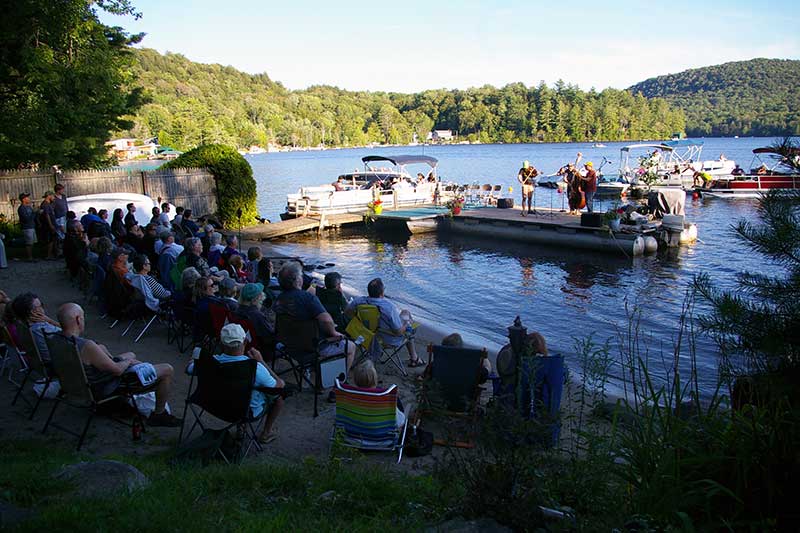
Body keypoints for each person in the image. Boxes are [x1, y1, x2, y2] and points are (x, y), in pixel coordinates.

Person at [56, 303, 181, 427]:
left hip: (81, 385)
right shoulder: (87, 346)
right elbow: (117, 371)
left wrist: (123, 358)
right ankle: (158, 415)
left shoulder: (56, 340)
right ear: (78, 319)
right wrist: (128, 362)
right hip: (106, 387)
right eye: (83, 317)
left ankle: (137, 369)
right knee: (167, 370)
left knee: (130, 354)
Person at [272, 262, 356, 374]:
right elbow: (326, 320)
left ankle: (310, 366)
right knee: (351, 346)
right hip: (311, 346)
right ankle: (341, 379)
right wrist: (334, 333)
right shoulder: (307, 298)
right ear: (297, 280)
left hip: (288, 343)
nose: (302, 278)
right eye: (301, 276)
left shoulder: (279, 299)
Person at [213, 323, 284, 443]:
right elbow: (279, 386)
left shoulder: (211, 361)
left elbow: (189, 368)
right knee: (278, 398)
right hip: (245, 412)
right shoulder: (255, 368)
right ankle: (266, 433)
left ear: (221, 343)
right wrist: (261, 361)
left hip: (216, 406)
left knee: (237, 392)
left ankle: (241, 429)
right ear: (245, 341)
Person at [345, 277, 424, 368]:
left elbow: (347, 313)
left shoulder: (358, 301)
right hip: (387, 340)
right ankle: (414, 358)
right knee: (409, 322)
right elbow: (398, 332)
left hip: (366, 336)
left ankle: (414, 357)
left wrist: (359, 319)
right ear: (382, 293)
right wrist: (406, 324)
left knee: (404, 312)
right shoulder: (388, 307)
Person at [350, 359, 405, 428]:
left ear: (355, 380)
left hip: (357, 433)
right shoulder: (385, 396)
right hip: (381, 436)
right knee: (396, 399)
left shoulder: (350, 397)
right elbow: (400, 422)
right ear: (375, 380)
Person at [11, 292, 61, 363]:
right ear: (33, 312)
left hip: (40, 363)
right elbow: (71, 333)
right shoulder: (44, 329)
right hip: (58, 364)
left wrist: (47, 320)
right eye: (41, 305)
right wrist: (50, 321)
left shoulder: (22, 326)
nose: (43, 307)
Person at [17, 193, 36, 262]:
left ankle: (31, 256)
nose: (29, 199)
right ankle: (29, 257)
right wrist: (34, 213)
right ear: (24, 199)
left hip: (32, 226)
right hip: (27, 227)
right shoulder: (21, 208)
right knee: (28, 243)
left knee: (32, 243)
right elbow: (26, 219)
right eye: (27, 197)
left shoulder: (29, 207)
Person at [38, 191, 57, 260]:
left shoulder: (49, 204)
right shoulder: (45, 204)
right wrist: (51, 225)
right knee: (50, 240)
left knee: (53, 239)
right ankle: (48, 255)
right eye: (53, 196)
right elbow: (47, 215)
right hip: (48, 225)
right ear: (49, 196)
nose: (54, 198)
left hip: (51, 223)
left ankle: (52, 254)